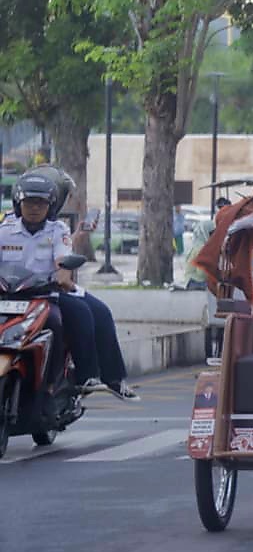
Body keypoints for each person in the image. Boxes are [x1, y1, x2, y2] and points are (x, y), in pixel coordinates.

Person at [0, 170, 139, 403]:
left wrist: (62, 278)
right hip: (7, 294)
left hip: (45, 294)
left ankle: (87, 378)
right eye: (29, 202)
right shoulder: (4, 229)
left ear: (51, 206)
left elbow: (63, 263)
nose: (35, 208)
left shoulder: (58, 231)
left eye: (41, 203)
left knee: (89, 314)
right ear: (18, 203)